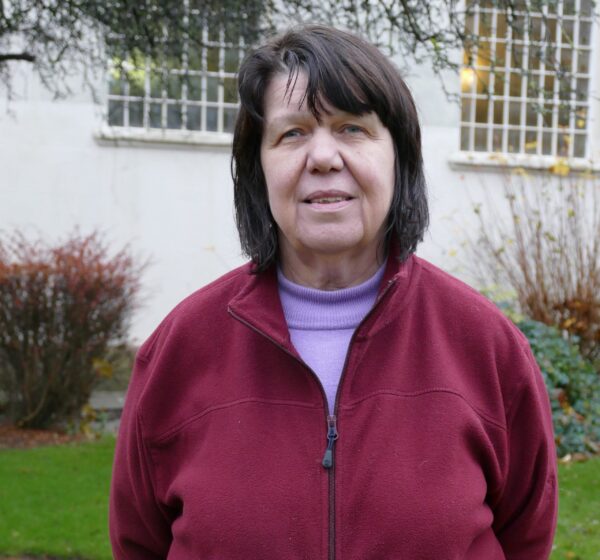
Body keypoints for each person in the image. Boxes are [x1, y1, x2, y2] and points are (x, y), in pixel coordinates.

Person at [109, 25, 558, 559]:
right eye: (292, 133)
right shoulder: (179, 351)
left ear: (399, 158)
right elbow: (138, 544)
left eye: (351, 128)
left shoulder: (487, 346)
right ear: (258, 167)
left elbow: (526, 537)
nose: (323, 157)